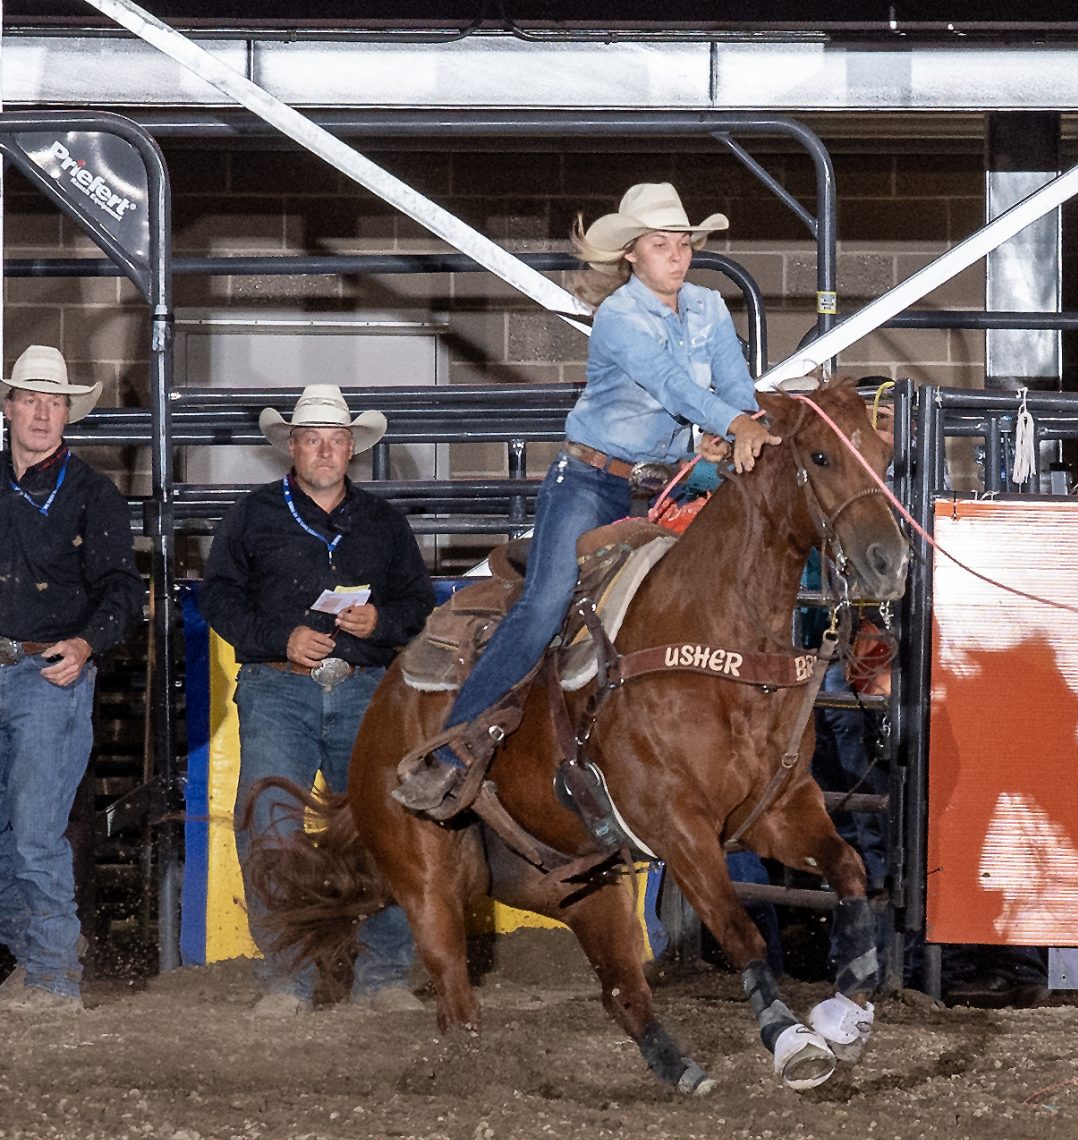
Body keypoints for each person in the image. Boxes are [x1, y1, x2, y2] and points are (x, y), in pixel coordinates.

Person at [392, 182, 776, 817]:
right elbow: (675, 386)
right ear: (632, 254)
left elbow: (735, 386)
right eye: (662, 245)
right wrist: (731, 428)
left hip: (657, 484)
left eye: (683, 244)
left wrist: (744, 424)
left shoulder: (707, 308)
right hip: (589, 482)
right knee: (545, 603)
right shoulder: (621, 317)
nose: (677, 256)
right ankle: (452, 747)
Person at [199, 385, 436, 1016]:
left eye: (335, 440)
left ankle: (384, 974)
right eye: (313, 439)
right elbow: (216, 597)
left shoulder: (384, 524)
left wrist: (380, 622)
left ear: (351, 448)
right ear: (293, 447)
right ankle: (287, 978)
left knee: (382, 827)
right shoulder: (250, 516)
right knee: (271, 824)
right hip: (278, 685)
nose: (325, 450)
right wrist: (280, 636)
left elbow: (419, 607)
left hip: (364, 688)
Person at [0, 345, 144, 1012]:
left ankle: (54, 973)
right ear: (8, 409)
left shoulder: (94, 497)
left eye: (52, 401)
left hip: (48, 674)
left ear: (67, 415)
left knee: (34, 831)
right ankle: (35, 957)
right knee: (15, 834)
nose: (40, 411)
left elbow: (123, 591)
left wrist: (85, 643)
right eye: (29, 398)